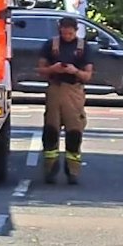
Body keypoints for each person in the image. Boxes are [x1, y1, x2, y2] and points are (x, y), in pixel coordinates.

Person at [38, 16, 94, 185]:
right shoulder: (50, 45)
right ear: (59, 30)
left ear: (76, 31)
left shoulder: (83, 48)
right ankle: (50, 169)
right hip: (55, 89)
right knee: (51, 131)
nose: (67, 36)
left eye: (70, 33)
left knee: (74, 132)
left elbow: (88, 75)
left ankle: (72, 171)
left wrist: (74, 71)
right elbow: (41, 70)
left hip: (74, 91)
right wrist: (53, 69)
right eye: (64, 33)